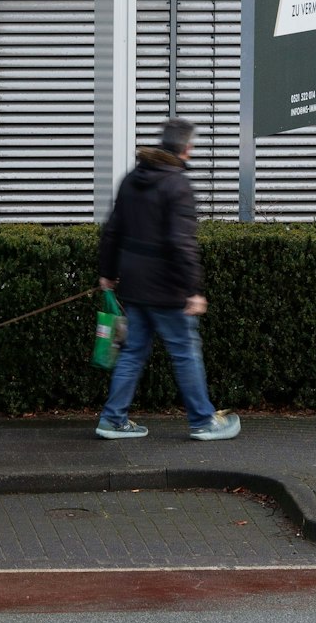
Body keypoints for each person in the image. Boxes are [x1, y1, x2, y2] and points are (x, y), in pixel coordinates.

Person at [94, 118, 240, 442]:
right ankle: (203, 420)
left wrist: (107, 272)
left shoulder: (132, 179)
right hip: (167, 288)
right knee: (185, 352)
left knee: (132, 351)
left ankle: (112, 419)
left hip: (133, 285)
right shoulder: (178, 186)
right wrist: (193, 290)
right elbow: (181, 243)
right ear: (187, 148)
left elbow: (112, 230)